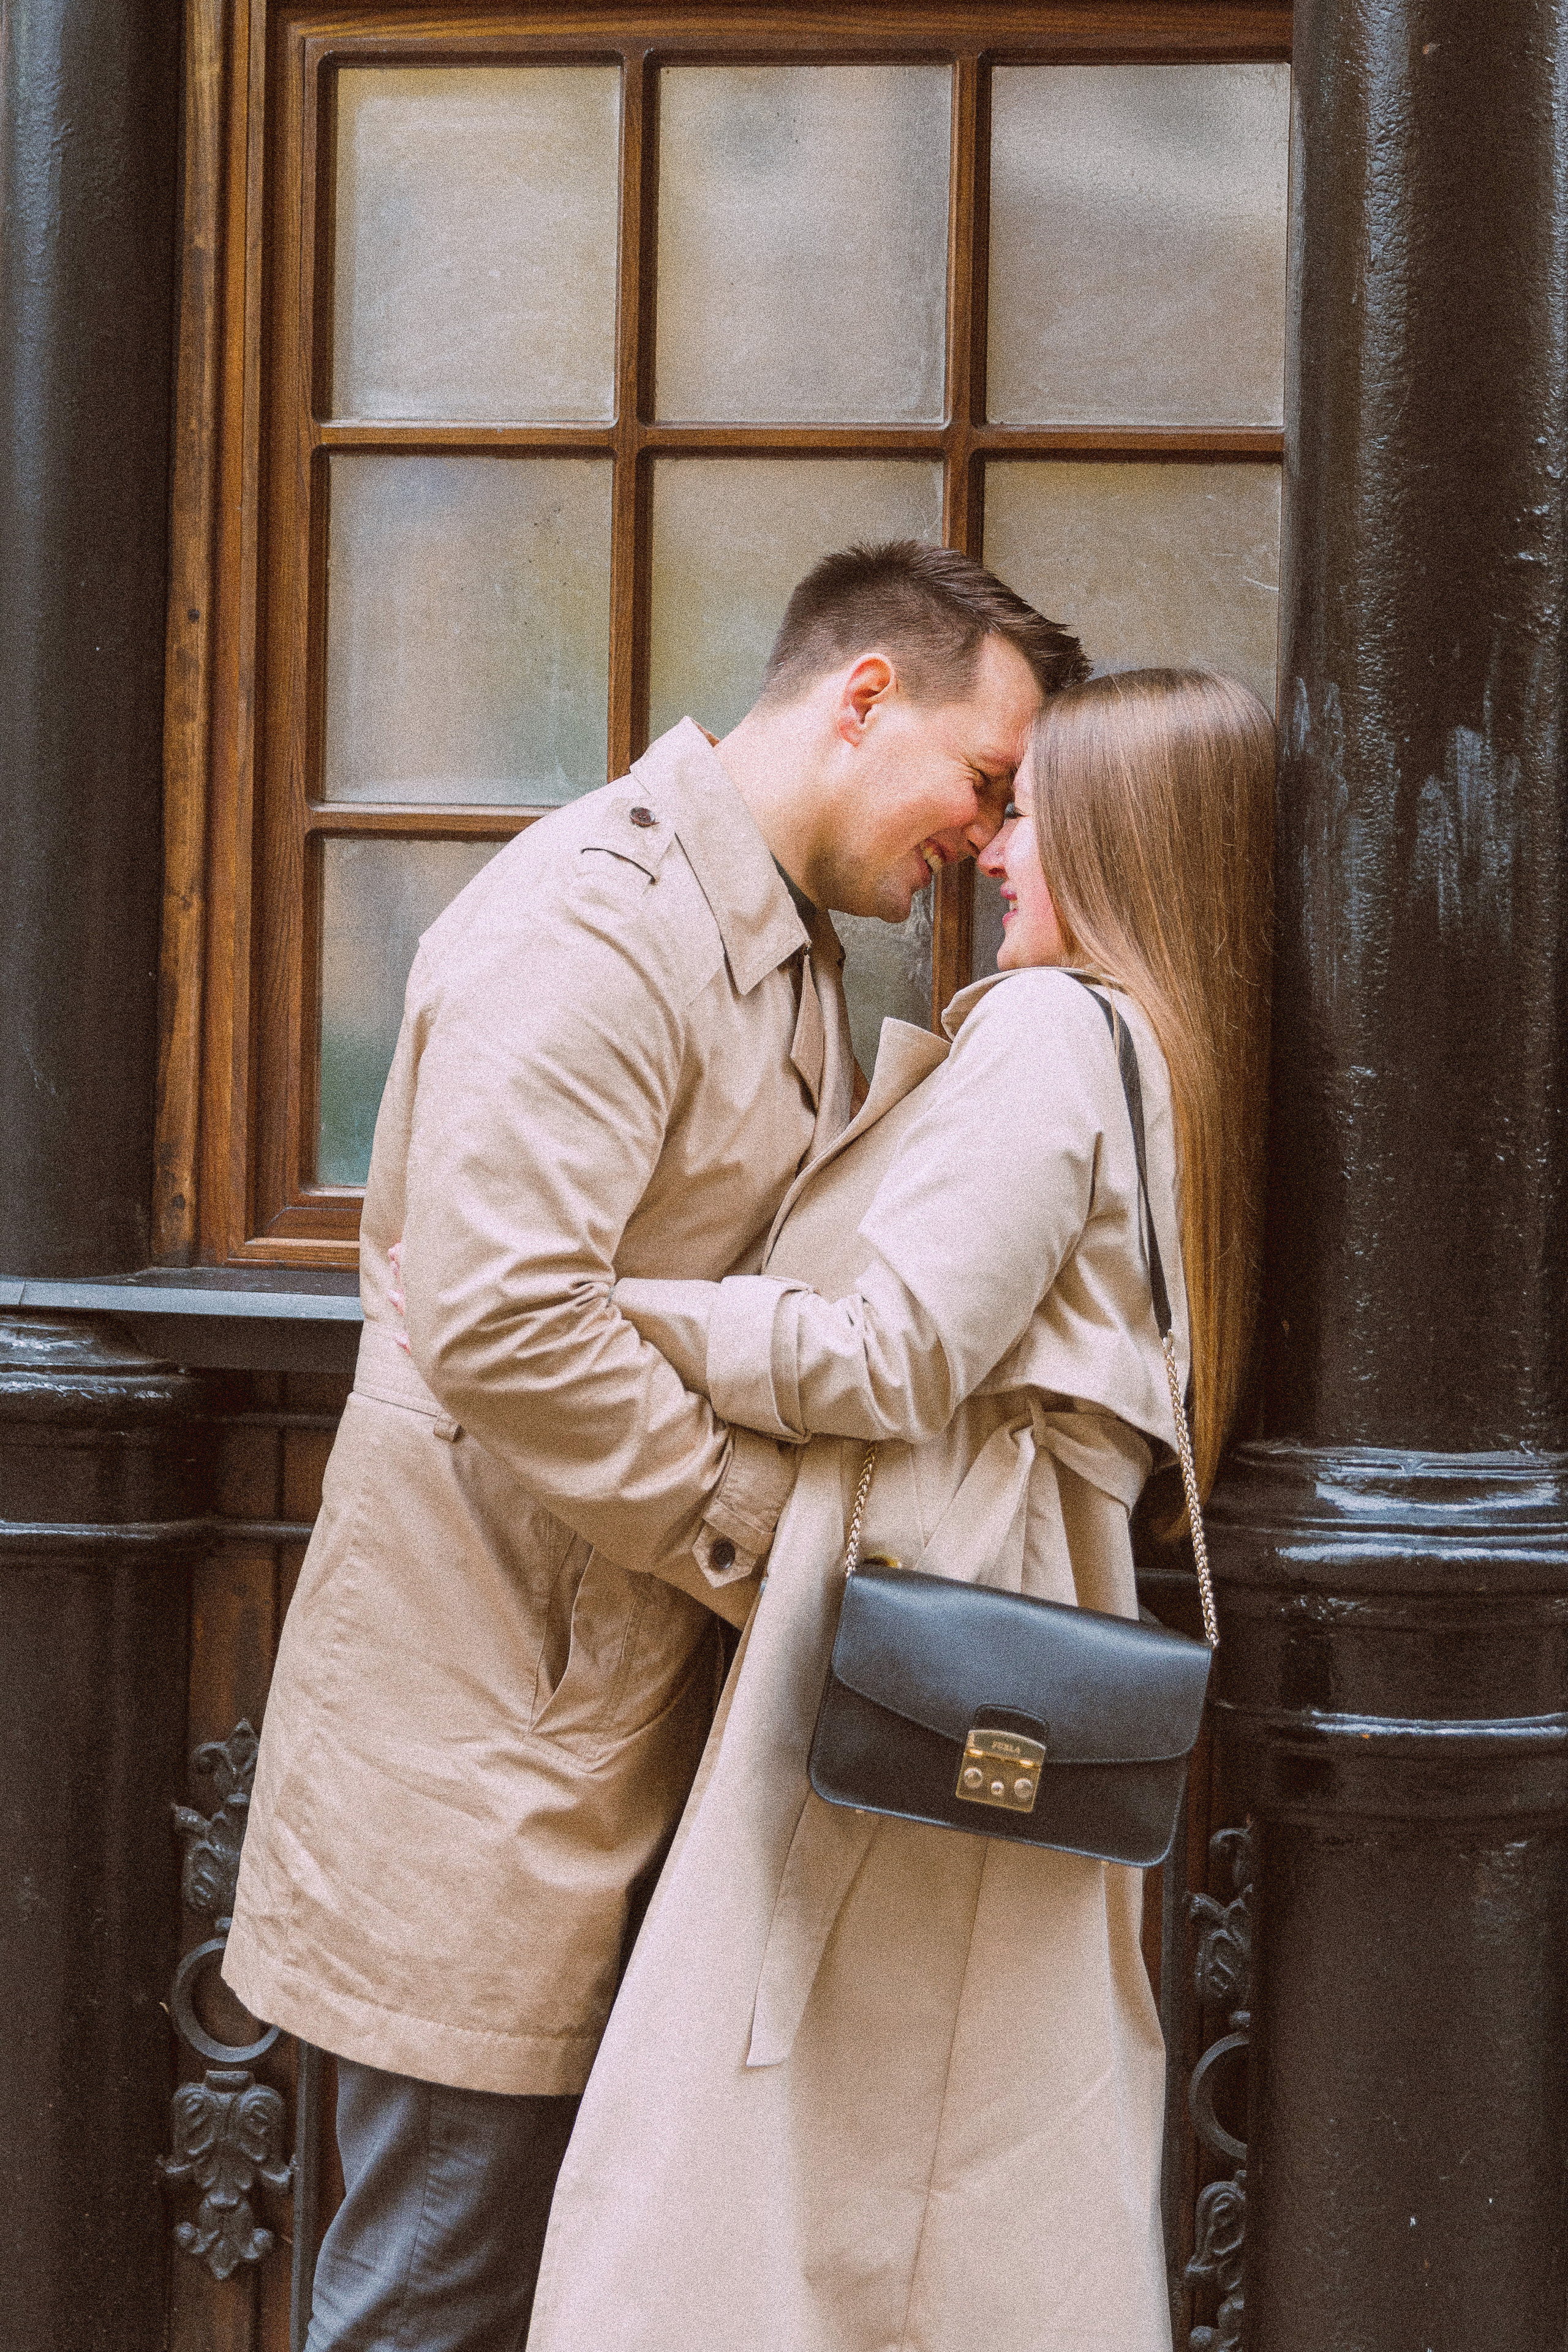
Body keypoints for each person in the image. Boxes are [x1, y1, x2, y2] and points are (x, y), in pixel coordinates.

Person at [222, 541, 1085, 2352]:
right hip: (490, 1765)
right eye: (985, 781)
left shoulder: (782, 951)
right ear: (866, 696)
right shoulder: (598, 924)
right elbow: (504, 1317)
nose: (982, 838)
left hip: (606, 1754)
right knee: (425, 2305)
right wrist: (759, 1531)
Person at [526, 668, 1274, 2352]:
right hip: (1018, 1640)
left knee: (768, 2175)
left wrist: (624, 1308)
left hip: (916, 1618)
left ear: (1123, 844)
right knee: (971, 2175)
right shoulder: (1167, 1049)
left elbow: (890, 1354)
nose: (998, 853)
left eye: (1034, 820)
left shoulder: (1054, 1036)